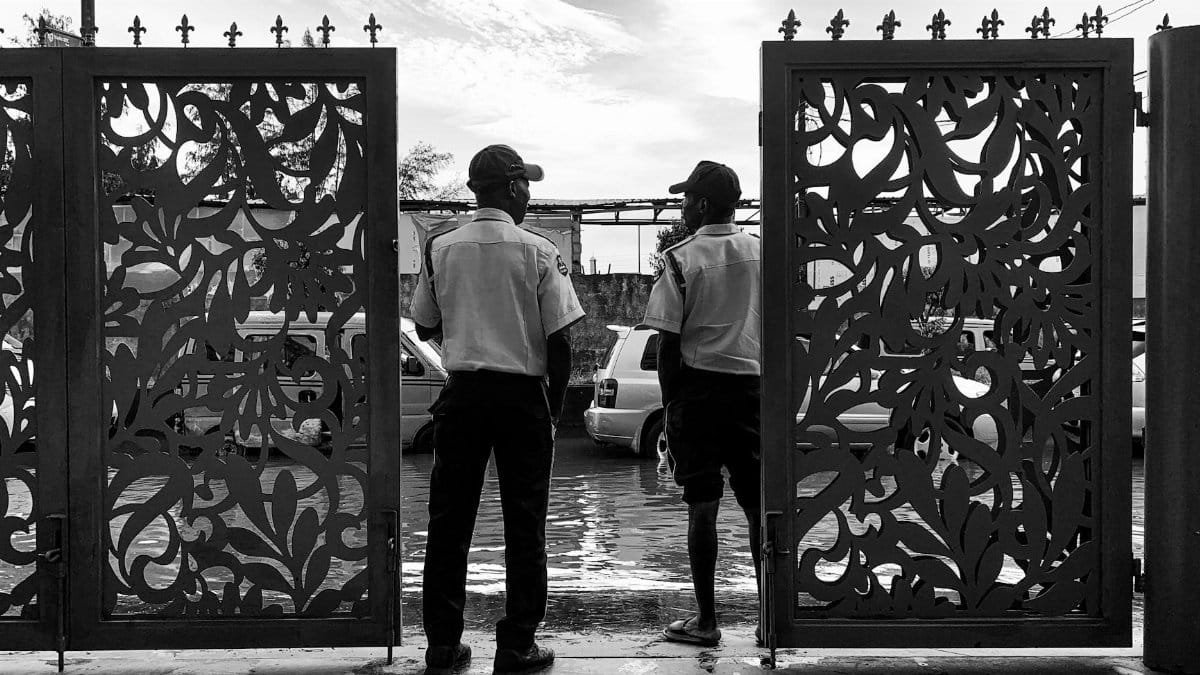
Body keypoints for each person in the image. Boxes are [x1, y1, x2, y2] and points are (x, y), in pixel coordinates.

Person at [411, 144, 584, 674]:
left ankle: (442, 644)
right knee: (524, 523)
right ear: (511, 188)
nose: (529, 194)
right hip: (521, 401)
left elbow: (423, 325)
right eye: (525, 184)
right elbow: (560, 342)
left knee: (448, 521)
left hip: (462, 395)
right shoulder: (538, 249)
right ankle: (516, 644)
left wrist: (468, 317)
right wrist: (552, 413)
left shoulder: (441, 246)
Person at [642, 161, 761, 648]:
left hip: (698, 396)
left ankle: (707, 622)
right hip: (754, 394)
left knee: (703, 510)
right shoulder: (763, 254)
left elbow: (668, 346)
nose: (683, 207)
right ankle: (770, 617)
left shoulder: (679, 260)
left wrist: (671, 413)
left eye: (688, 199)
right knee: (760, 510)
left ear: (705, 204)